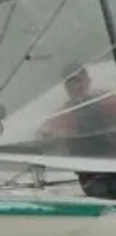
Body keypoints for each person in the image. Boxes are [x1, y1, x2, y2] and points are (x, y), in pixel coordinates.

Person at [36, 63, 116, 199]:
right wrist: (47, 136)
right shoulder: (63, 115)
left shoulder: (107, 101)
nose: (78, 86)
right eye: (72, 82)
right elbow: (43, 135)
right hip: (93, 178)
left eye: (81, 80)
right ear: (66, 87)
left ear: (88, 81)